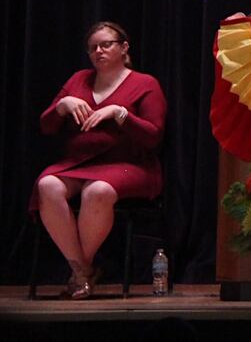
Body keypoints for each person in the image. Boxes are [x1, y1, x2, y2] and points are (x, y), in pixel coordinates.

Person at [32, 21, 166, 300]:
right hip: (79, 163)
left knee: (98, 190)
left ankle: (81, 270)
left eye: (106, 44)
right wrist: (62, 105)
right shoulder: (78, 80)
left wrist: (120, 114)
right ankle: (83, 271)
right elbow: (46, 126)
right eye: (93, 47)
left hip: (130, 164)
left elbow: (153, 136)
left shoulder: (145, 83)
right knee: (47, 185)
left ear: (124, 47)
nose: (98, 51)